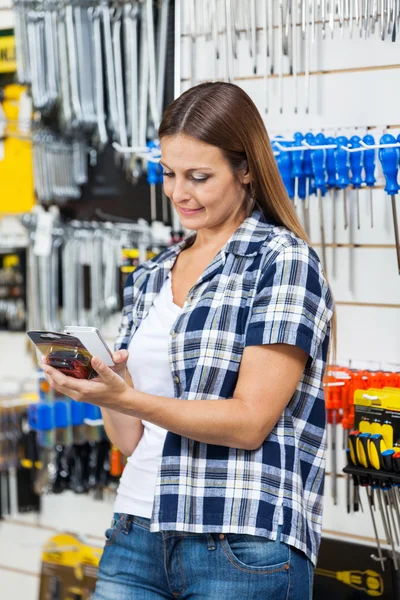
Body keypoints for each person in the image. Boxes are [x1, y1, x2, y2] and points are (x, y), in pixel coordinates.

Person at [42, 82, 334, 600]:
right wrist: (105, 387)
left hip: (240, 540)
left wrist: (128, 397)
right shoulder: (151, 274)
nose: (179, 193)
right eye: (170, 174)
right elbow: (131, 440)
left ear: (245, 169)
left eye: (199, 177)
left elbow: (248, 423)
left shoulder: (283, 262)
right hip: (136, 530)